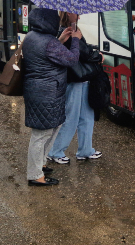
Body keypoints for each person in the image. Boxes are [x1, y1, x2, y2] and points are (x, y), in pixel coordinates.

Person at [22, 8, 81, 186]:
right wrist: (75, 41)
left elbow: (45, 55)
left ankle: (40, 164)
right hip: (47, 92)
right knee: (41, 133)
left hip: (39, 90)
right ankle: (35, 175)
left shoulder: (31, 36)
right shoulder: (48, 42)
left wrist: (60, 40)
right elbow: (71, 60)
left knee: (53, 126)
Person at [47, 11, 103, 165]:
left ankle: (86, 150)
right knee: (71, 117)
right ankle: (55, 151)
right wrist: (98, 56)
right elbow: (81, 55)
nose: (79, 17)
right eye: (76, 14)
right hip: (74, 79)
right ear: (67, 13)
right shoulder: (65, 32)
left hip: (83, 78)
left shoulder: (72, 29)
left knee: (86, 115)